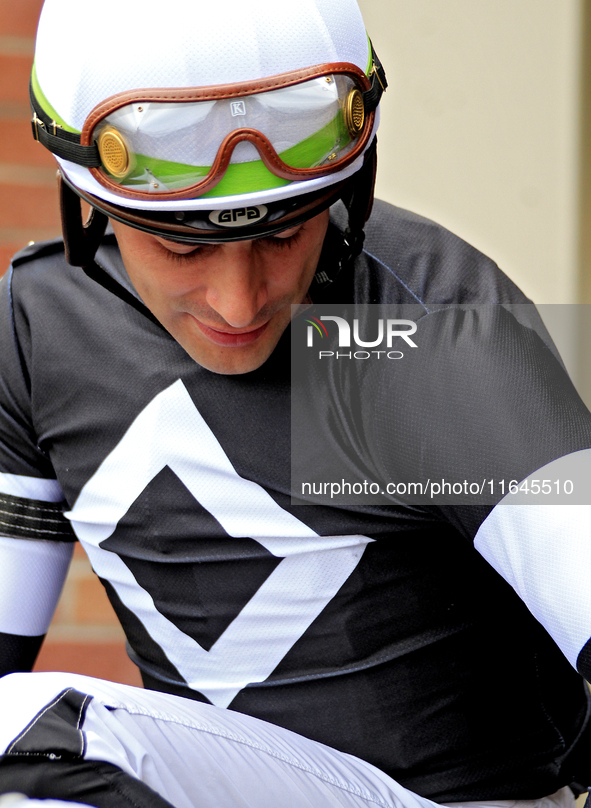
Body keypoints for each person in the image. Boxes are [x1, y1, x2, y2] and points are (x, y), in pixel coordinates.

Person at [1, 0, 591, 806]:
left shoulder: (431, 329)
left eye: (284, 234)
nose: (239, 303)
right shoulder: (38, 327)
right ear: (87, 203)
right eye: (182, 246)